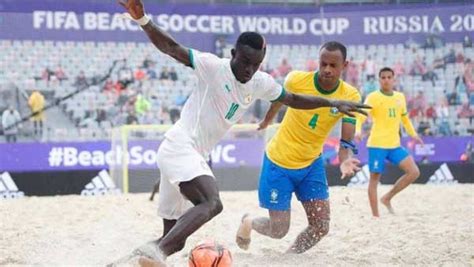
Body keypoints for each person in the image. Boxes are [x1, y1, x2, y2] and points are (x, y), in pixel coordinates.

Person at [115, 1, 369, 266]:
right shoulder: (213, 66)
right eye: (245, 61)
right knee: (212, 203)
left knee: (174, 239)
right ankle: (157, 256)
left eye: (255, 64)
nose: (249, 69)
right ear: (234, 53)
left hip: (187, 155)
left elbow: (292, 98)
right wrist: (143, 19)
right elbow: (171, 48)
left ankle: (126, 262)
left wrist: (331, 103)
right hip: (180, 147)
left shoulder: (259, 82)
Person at [235, 41, 367, 254]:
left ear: (345, 65)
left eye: (333, 65)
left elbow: (346, 140)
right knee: (278, 230)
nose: (327, 70)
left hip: (311, 165)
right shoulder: (297, 80)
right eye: (323, 63)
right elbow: (278, 101)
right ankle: (249, 221)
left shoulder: (350, 96)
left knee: (321, 227)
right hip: (279, 162)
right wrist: (268, 121)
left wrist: (344, 159)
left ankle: (290, 257)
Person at [355, 67, 423, 217]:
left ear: (393, 79)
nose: (386, 80)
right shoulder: (373, 97)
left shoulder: (400, 97)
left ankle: (387, 198)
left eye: (389, 77)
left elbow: (405, 119)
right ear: (379, 80)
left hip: (394, 145)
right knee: (374, 180)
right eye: (383, 77)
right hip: (377, 145)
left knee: (414, 172)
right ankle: (376, 216)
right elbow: (361, 115)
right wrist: (358, 130)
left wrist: (414, 134)